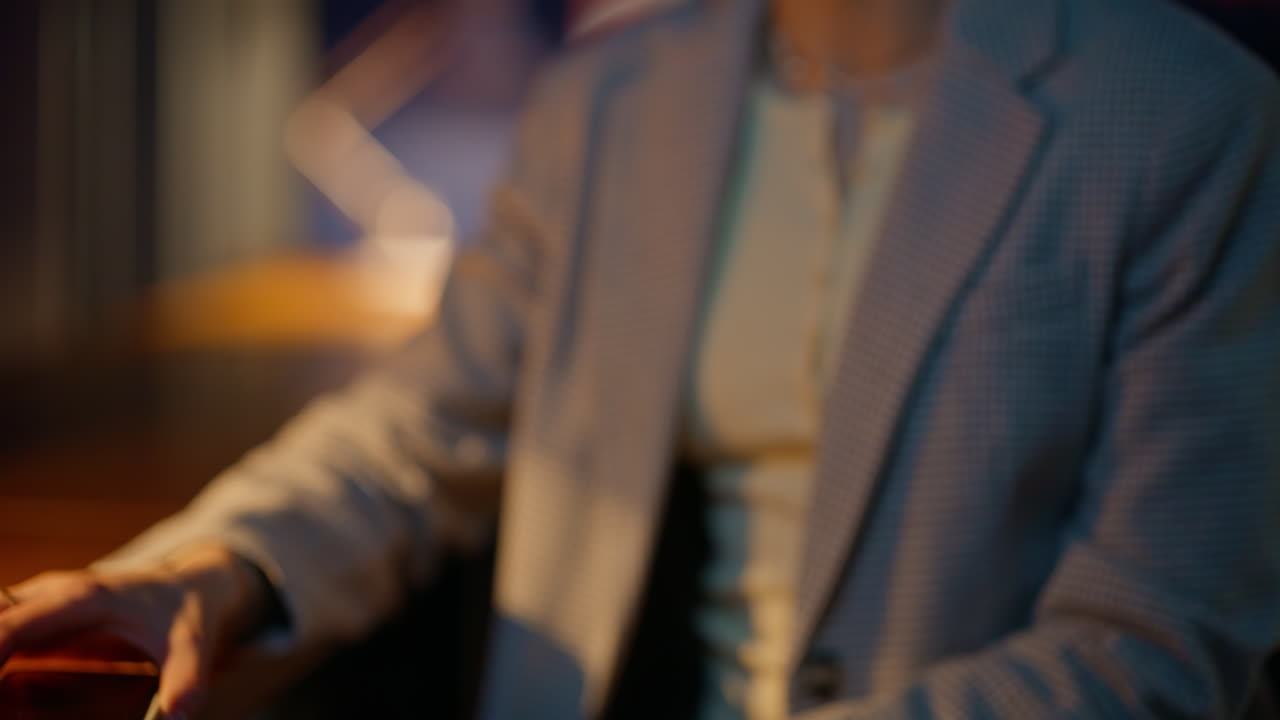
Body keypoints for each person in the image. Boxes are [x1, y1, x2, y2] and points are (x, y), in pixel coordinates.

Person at [3, 0, 1280, 718]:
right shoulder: (613, 101)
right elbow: (430, 419)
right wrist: (222, 567)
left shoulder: (1179, 113)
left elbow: (1157, 640)